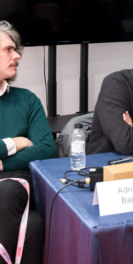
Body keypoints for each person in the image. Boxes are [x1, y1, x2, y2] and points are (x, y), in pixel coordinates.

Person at [0, 20, 55, 264]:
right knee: (32, 224)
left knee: (8, 189)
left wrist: (3, 164)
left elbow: (47, 149)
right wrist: (14, 143)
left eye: (16, 49)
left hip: (16, 186)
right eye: (8, 50)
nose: (17, 56)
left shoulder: (27, 100)